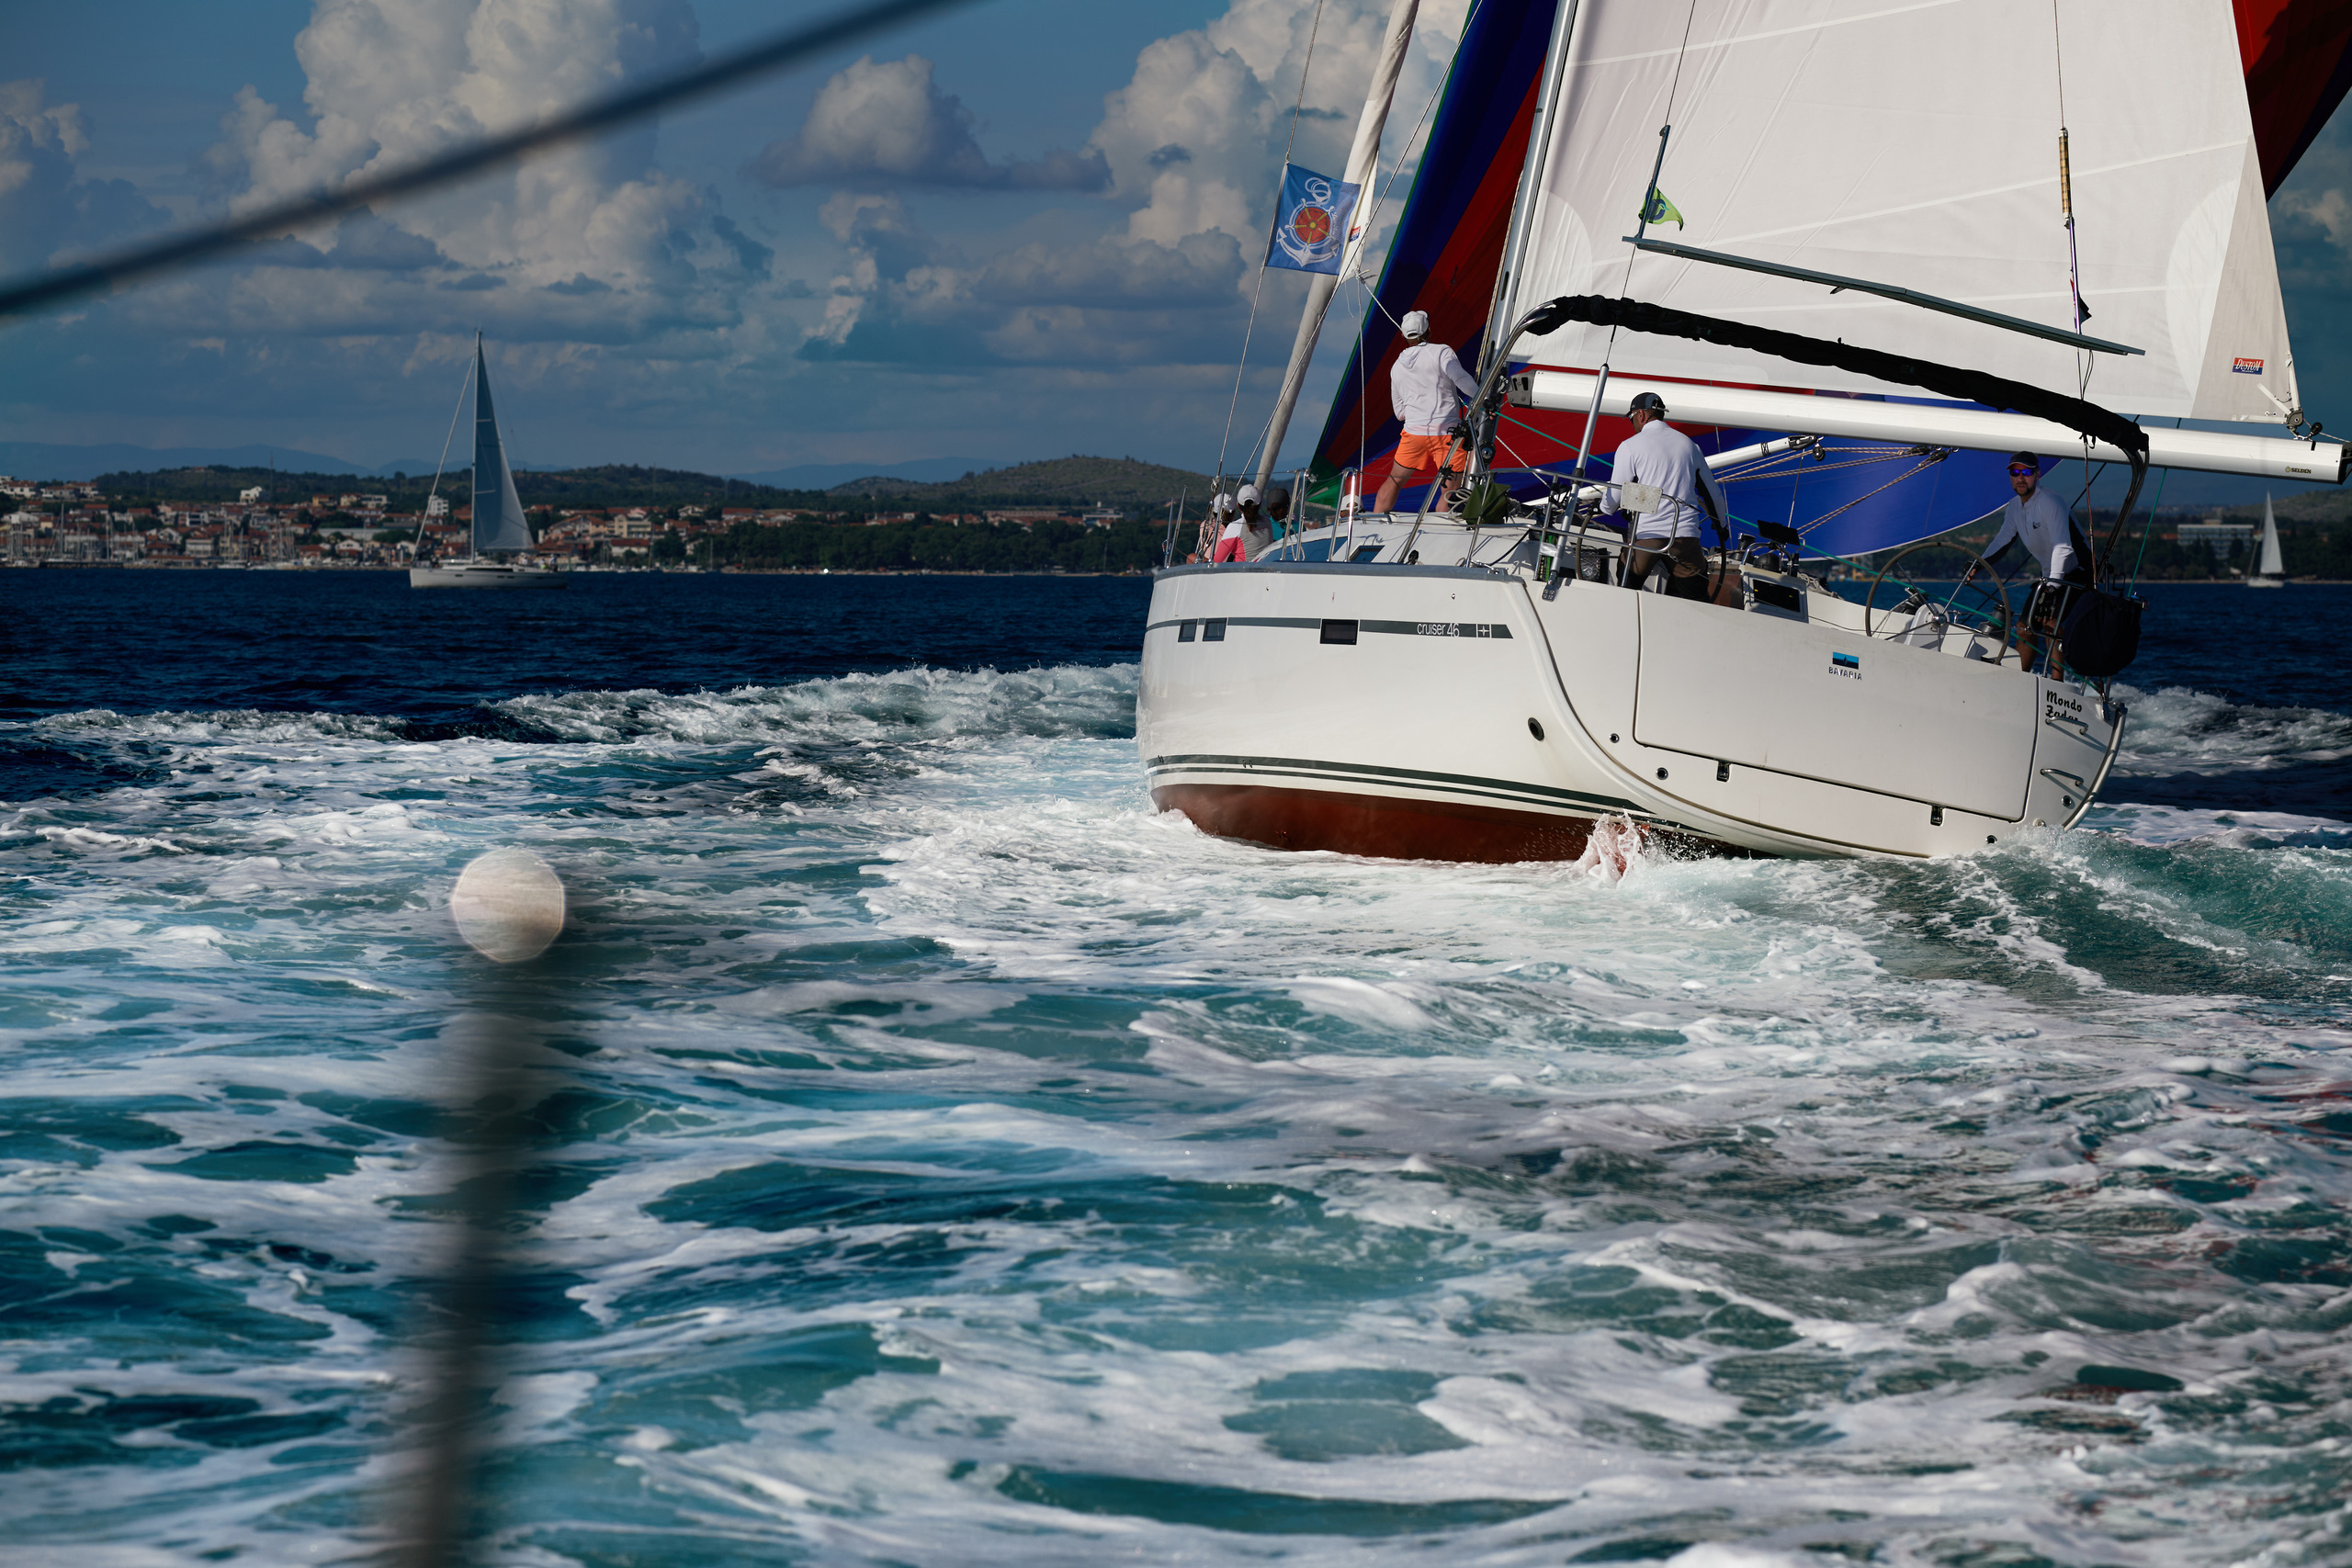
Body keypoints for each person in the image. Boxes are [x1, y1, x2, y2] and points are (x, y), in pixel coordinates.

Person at [1965, 451, 2093, 670]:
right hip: (2050, 576)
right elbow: (2003, 540)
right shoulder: (2014, 506)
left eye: (2026, 472)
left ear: (2037, 475)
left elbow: (2063, 546)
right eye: (2015, 473)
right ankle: (2022, 678)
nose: (2021, 478)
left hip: (2080, 572)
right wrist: (1979, 564)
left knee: (2050, 622)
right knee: (2024, 628)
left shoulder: (2050, 501)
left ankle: (2056, 682)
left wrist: (2052, 588)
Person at [1603, 390, 1727, 600]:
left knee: (1627, 584)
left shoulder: (1630, 446)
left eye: (1631, 418)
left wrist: (1602, 508)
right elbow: (1712, 495)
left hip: (1647, 536)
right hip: (1684, 538)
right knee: (1695, 598)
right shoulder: (1690, 445)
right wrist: (1721, 526)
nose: (1632, 424)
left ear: (1640, 414)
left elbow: (1614, 497)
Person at [1373, 310, 1478, 514]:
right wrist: (1483, 400)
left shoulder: (1396, 367)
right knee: (1449, 493)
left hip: (1413, 435)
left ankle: (1374, 523)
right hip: (1447, 434)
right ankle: (1440, 530)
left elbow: (1399, 413)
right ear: (1429, 330)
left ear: (1403, 336)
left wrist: (1418, 409)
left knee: (1394, 481)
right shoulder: (1442, 352)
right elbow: (1460, 379)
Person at [1212, 484, 1273, 562]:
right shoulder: (1267, 522)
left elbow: (1218, 560)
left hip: (1243, 569)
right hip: (1266, 568)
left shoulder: (1235, 526)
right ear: (1259, 505)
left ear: (1238, 505)